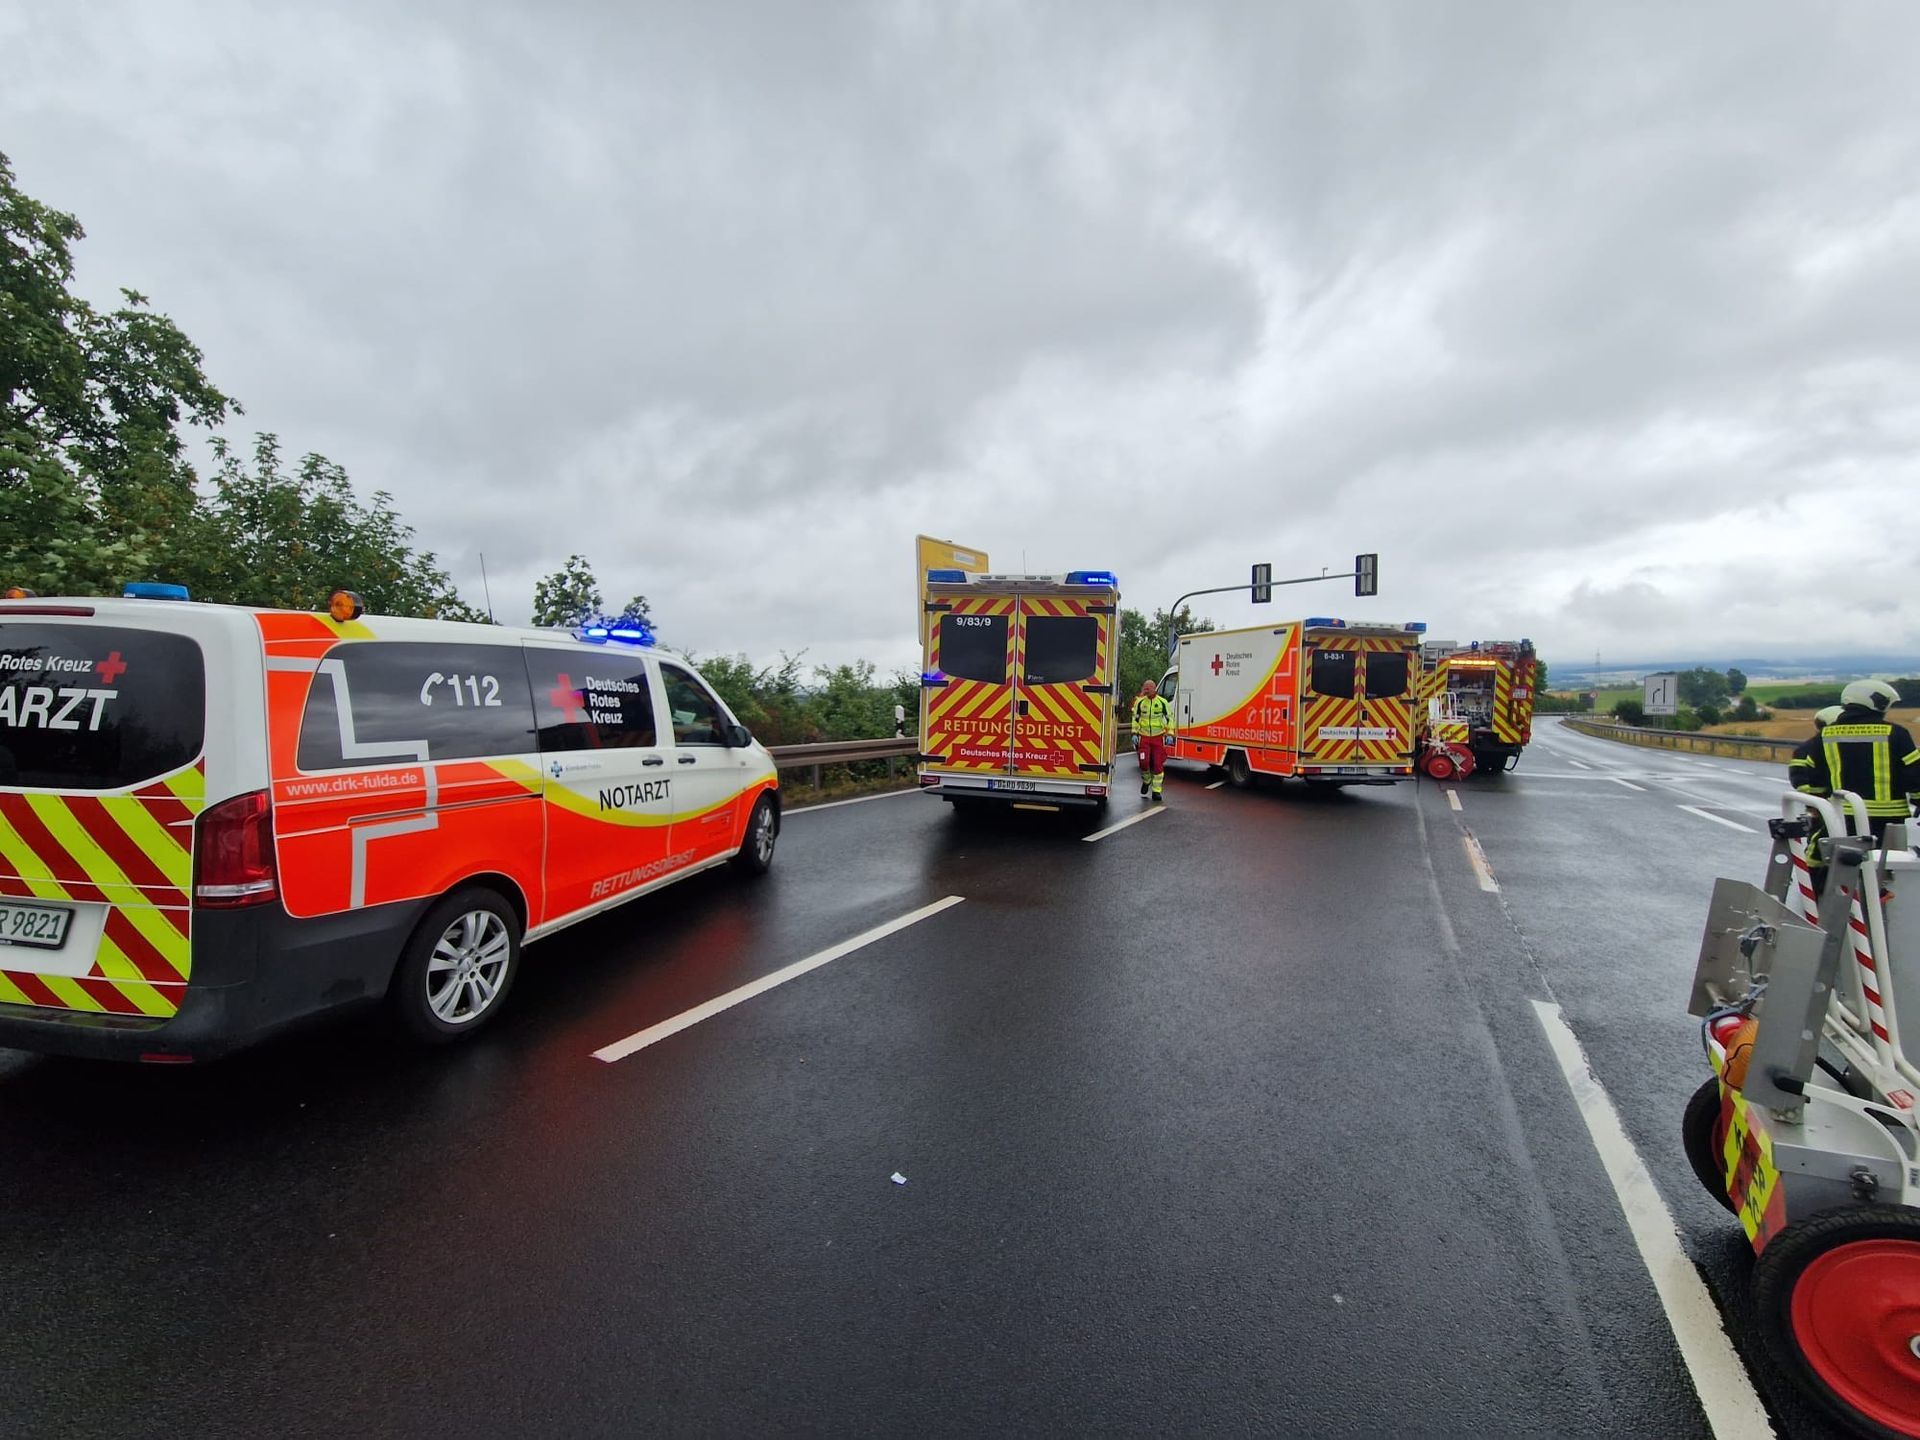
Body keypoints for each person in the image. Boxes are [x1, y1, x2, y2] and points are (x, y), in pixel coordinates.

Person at [1798, 681, 1920, 841]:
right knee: (1884, 862)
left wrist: (1817, 808)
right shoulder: (1896, 733)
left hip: (1840, 815)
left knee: (1840, 861)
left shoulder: (1825, 735)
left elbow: (1814, 776)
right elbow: (1914, 773)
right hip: (1888, 818)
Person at [1787, 704, 1844, 895]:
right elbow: (1800, 779)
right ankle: (1817, 889)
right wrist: (1816, 801)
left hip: (1823, 806)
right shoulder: (1813, 748)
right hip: (1822, 807)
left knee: (1820, 846)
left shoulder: (1807, 747)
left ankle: (1817, 888)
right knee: (1819, 847)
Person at [1131, 679, 1174, 802]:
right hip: (1144, 738)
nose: (1146, 690)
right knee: (1144, 762)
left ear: (1154, 689)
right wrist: (1134, 733)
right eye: (1145, 688)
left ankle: (1156, 791)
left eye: (1148, 688)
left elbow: (1169, 718)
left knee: (1157, 765)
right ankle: (1146, 781)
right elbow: (1135, 718)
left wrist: (1170, 734)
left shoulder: (1162, 702)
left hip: (1158, 738)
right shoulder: (1139, 703)